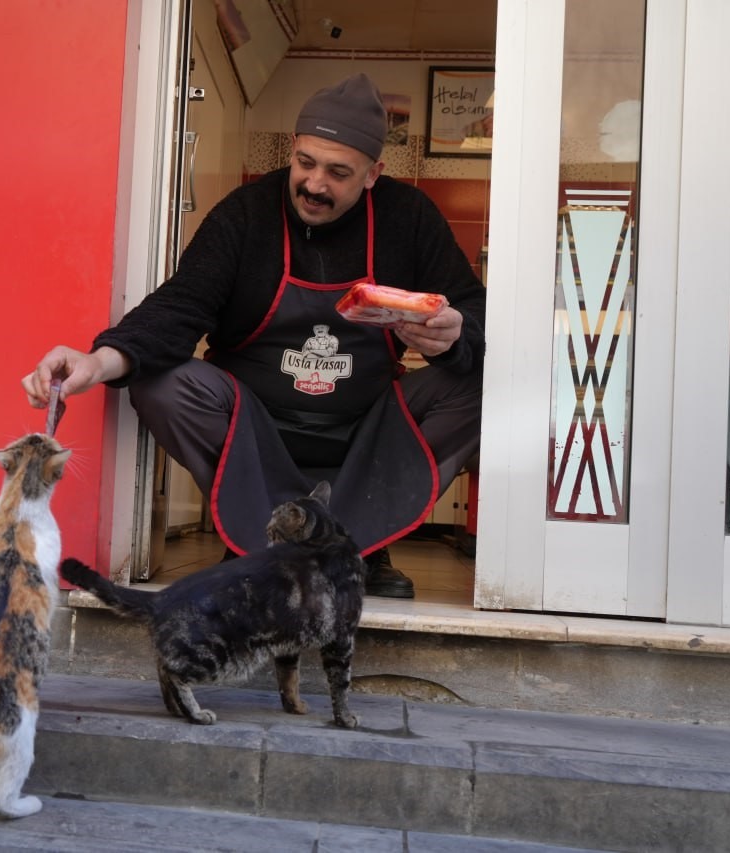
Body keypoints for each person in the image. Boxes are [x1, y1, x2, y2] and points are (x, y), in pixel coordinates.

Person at [24, 73, 485, 599]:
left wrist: (456, 332)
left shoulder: (410, 218)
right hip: (254, 424)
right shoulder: (247, 214)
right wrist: (97, 361)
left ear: (374, 173)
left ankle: (357, 544)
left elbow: (474, 308)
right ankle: (255, 534)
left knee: (479, 383)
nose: (314, 184)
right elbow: (180, 306)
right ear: (293, 148)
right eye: (306, 163)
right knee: (160, 384)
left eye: (338, 173)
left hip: (368, 428)